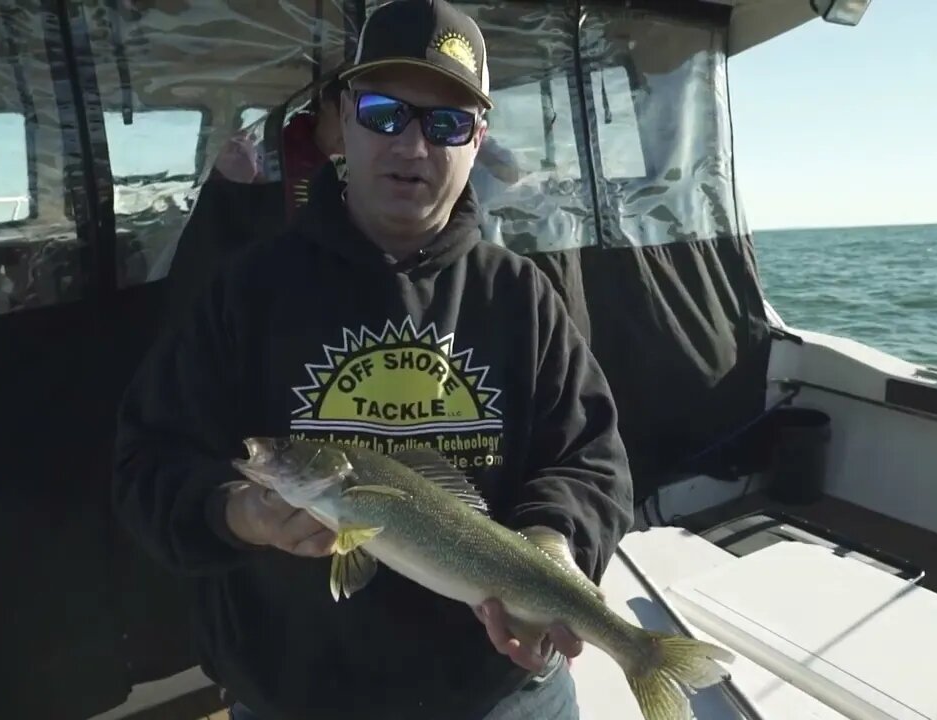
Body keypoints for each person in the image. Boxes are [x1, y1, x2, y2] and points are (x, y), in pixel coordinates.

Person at [111, 0, 634, 718]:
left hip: (501, 697)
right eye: (386, 113)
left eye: (447, 124)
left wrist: (555, 540)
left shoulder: (521, 295)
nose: (413, 148)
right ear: (344, 119)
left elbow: (590, 460)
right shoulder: (247, 290)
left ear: (477, 141)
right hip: (293, 695)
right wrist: (237, 512)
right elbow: (148, 464)